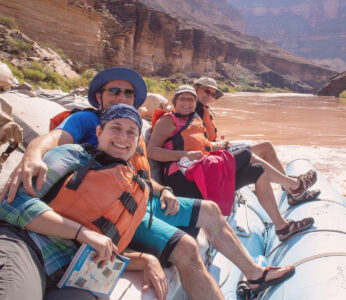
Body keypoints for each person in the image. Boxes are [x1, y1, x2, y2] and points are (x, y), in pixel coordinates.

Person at [1, 69, 296, 298]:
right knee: (187, 247)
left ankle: (254, 273)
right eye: (113, 90)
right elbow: (51, 141)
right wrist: (32, 156)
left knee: (210, 211)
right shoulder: (83, 125)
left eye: (128, 92)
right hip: (105, 208)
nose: (121, 96)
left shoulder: (133, 134)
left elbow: (138, 179)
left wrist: (164, 189)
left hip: (139, 198)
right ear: (99, 98)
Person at [0, 104, 161, 299]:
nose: (123, 136)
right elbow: (10, 204)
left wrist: (146, 260)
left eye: (131, 132)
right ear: (99, 132)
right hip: (27, 246)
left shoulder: (136, 189)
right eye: (115, 128)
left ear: (137, 141)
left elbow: (108, 248)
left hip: (70, 274)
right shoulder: (71, 155)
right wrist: (81, 232)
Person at [148, 85, 317, 244]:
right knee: (245, 154)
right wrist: (184, 154)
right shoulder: (167, 121)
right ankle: (295, 186)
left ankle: (282, 227)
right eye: (182, 99)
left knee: (257, 171)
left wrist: (218, 146)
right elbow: (152, 151)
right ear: (174, 102)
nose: (187, 103)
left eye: (190, 99)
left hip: (203, 173)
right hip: (183, 181)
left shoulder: (194, 120)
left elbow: (203, 145)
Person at [193, 77, 320, 204]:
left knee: (266, 146)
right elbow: (199, 143)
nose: (210, 96)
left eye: (212, 93)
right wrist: (220, 145)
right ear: (196, 89)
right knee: (266, 148)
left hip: (215, 149)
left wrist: (220, 143)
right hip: (212, 154)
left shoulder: (199, 107)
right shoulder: (194, 108)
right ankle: (293, 189)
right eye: (206, 91)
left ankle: (291, 190)